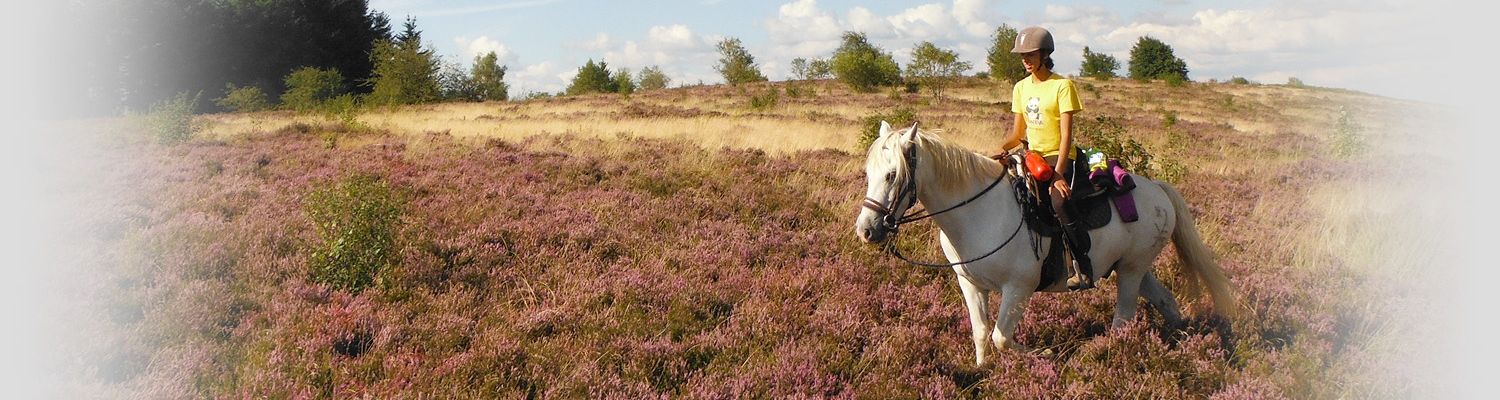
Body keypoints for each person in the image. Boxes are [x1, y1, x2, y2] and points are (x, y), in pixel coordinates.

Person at [998, 26, 1095, 291]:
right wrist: (1000, 150)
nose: (1026, 60)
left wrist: (1059, 174)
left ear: (1044, 54)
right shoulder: (1020, 88)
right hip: (1032, 157)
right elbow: (1017, 134)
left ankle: (1083, 266)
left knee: (1059, 202)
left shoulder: (1062, 86)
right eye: (1023, 56)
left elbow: (1066, 136)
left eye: (1030, 54)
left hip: (1059, 157)